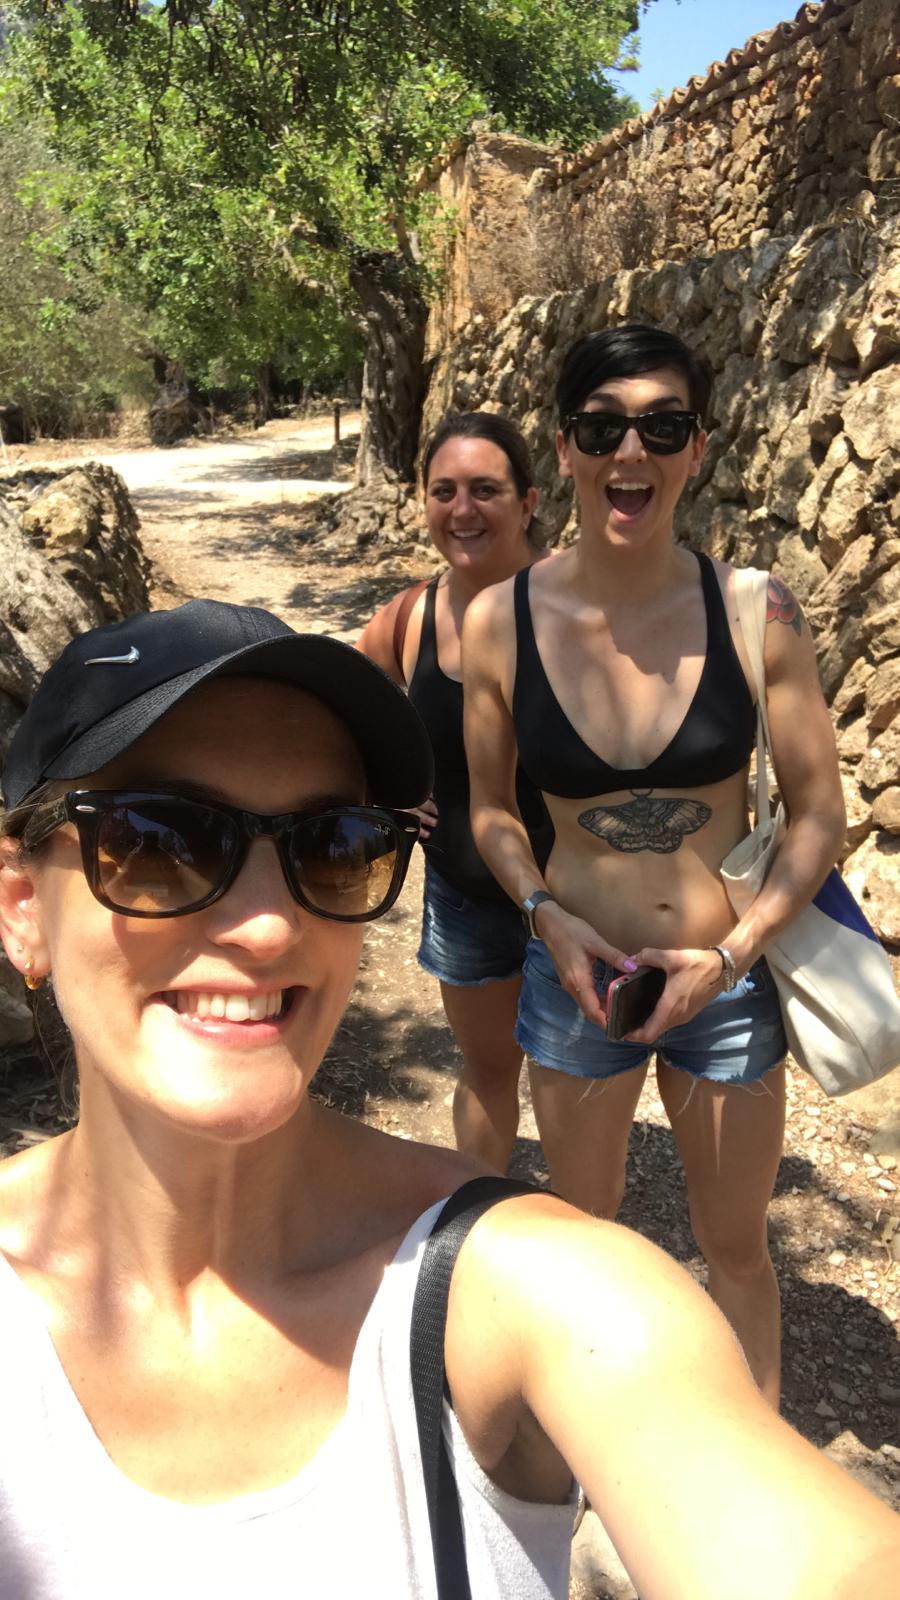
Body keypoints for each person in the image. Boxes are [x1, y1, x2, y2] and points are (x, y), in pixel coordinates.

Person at [1, 600, 896, 1599]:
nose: (265, 924)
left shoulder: (530, 1290)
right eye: (160, 840)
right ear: (21, 908)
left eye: (334, 844)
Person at [463, 324, 847, 1410]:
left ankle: (753, 1465)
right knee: (589, 1239)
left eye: (662, 426)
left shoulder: (756, 612)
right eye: (602, 427)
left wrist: (734, 953)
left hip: (721, 982)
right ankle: (599, 1440)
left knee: (735, 1249)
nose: (631, 451)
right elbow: (492, 811)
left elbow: (820, 813)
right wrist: (542, 912)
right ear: (566, 450)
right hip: (579, 980)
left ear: (698, 448)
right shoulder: (502, 621)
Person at [358, 413, 552, 1171]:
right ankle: (478, 1218)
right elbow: (342, 702)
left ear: (529, 500)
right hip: (466, 897)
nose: (462, 510)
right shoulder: (411, 617)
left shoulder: (576, 608)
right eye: (444, 491)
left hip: (578, 902)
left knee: (575, 1083)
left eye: (485, 490)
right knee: (491, 1070)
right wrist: (385, 789)